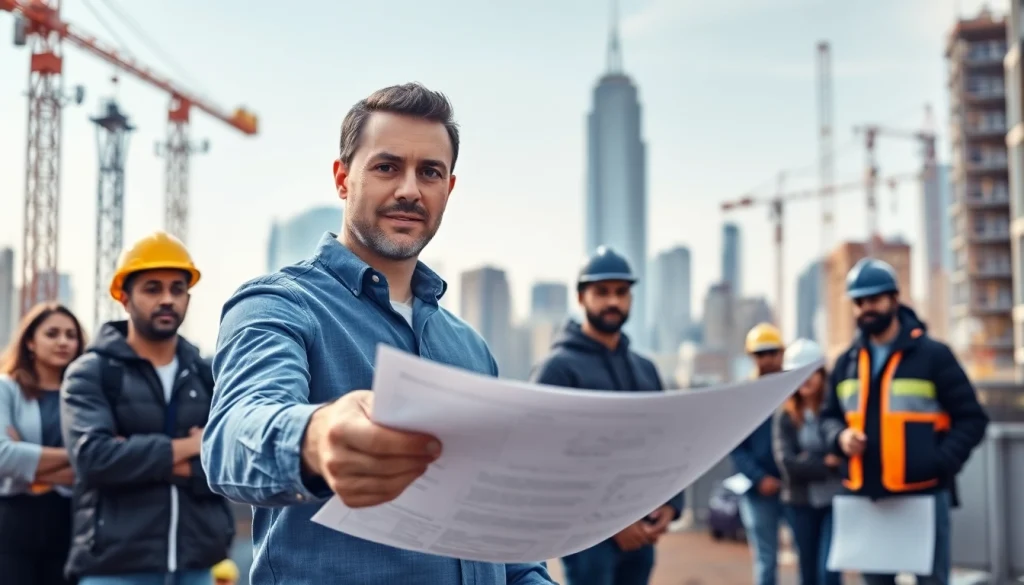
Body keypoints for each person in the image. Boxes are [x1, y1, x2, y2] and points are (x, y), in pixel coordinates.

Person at [202, 83, 554, 585]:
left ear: (448, 189)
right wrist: (314, 437)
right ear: (343, 179)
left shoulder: (470, 347)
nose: (410, 189)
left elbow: (499, 532)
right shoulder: (278, 304)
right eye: (387, 167)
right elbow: (234, 434)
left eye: (429, 172)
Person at [60, 231, 234, 585]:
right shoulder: (92, 372)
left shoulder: (207, 373)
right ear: (124, 298)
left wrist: (138, 456)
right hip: (114, 568)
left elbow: (231, 461)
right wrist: (190, 448)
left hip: (198, 566)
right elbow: (94, 459)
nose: (168, 299)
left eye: (177, 289)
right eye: (153, 288)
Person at [820, 258, 989, 585]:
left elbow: (972, 419)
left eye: (874, 299)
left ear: (894, 299)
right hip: (869, 498)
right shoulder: (846, 362)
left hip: (924, 498)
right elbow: (829, 417)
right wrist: (840, 438)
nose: (866, 308)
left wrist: (939, 462)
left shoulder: (933, 356)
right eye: (859, 301)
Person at [529, 246, 684, 585]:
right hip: (587, 539)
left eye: (621, 292)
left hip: (642, 533)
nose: (613, 301)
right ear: (581, 297)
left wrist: (672, 504)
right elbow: (546, 462)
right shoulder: (557, 369)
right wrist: (610, 523)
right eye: (602, 292)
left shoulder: (645, 370)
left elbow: (667, 443)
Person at [0, 302, 85, 585]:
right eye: (52, 333)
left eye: (70, 335)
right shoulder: (6, 389)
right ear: (30, 342)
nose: (63, 342)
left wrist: (27, 461)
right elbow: (2, 456)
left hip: (72, 522)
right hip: (15, 519)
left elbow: (102, 462)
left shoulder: (88, 394)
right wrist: (82, 454)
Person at [771, 338, 842, 585]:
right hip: (800, 505)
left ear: (822, 373)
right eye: (798, 374)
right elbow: (788, 465)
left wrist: (809, 460)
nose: (806, 379)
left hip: (835, 502)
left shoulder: (836, 410)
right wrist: (826, 463)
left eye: (811, 372)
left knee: (829, 571)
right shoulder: (785, 417)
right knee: (808, 573)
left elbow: (845, 457)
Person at [730, 322, 787, 585]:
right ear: (752, 357)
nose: (766, 359)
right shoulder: (744, 396)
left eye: (771, 352)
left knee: (810, 558)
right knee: (766, 561)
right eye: (760, 354)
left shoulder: (794, 390)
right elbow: (736, 447)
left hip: (795, 487)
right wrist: (759, 478)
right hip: (758, 491)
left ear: (781, 353)